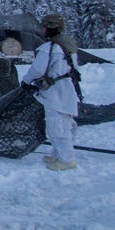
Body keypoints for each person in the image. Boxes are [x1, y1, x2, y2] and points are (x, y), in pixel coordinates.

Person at [20, 14, 81, 171]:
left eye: (44, 27)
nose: (42, 29)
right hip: (68, 89)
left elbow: (37, 69)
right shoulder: (68, 45)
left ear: (49, 28)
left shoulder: (49, 48)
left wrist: (26, 81)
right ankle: (58, 155)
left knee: (56, 124)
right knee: (65, 121)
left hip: (54, 91)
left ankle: (67, 159)